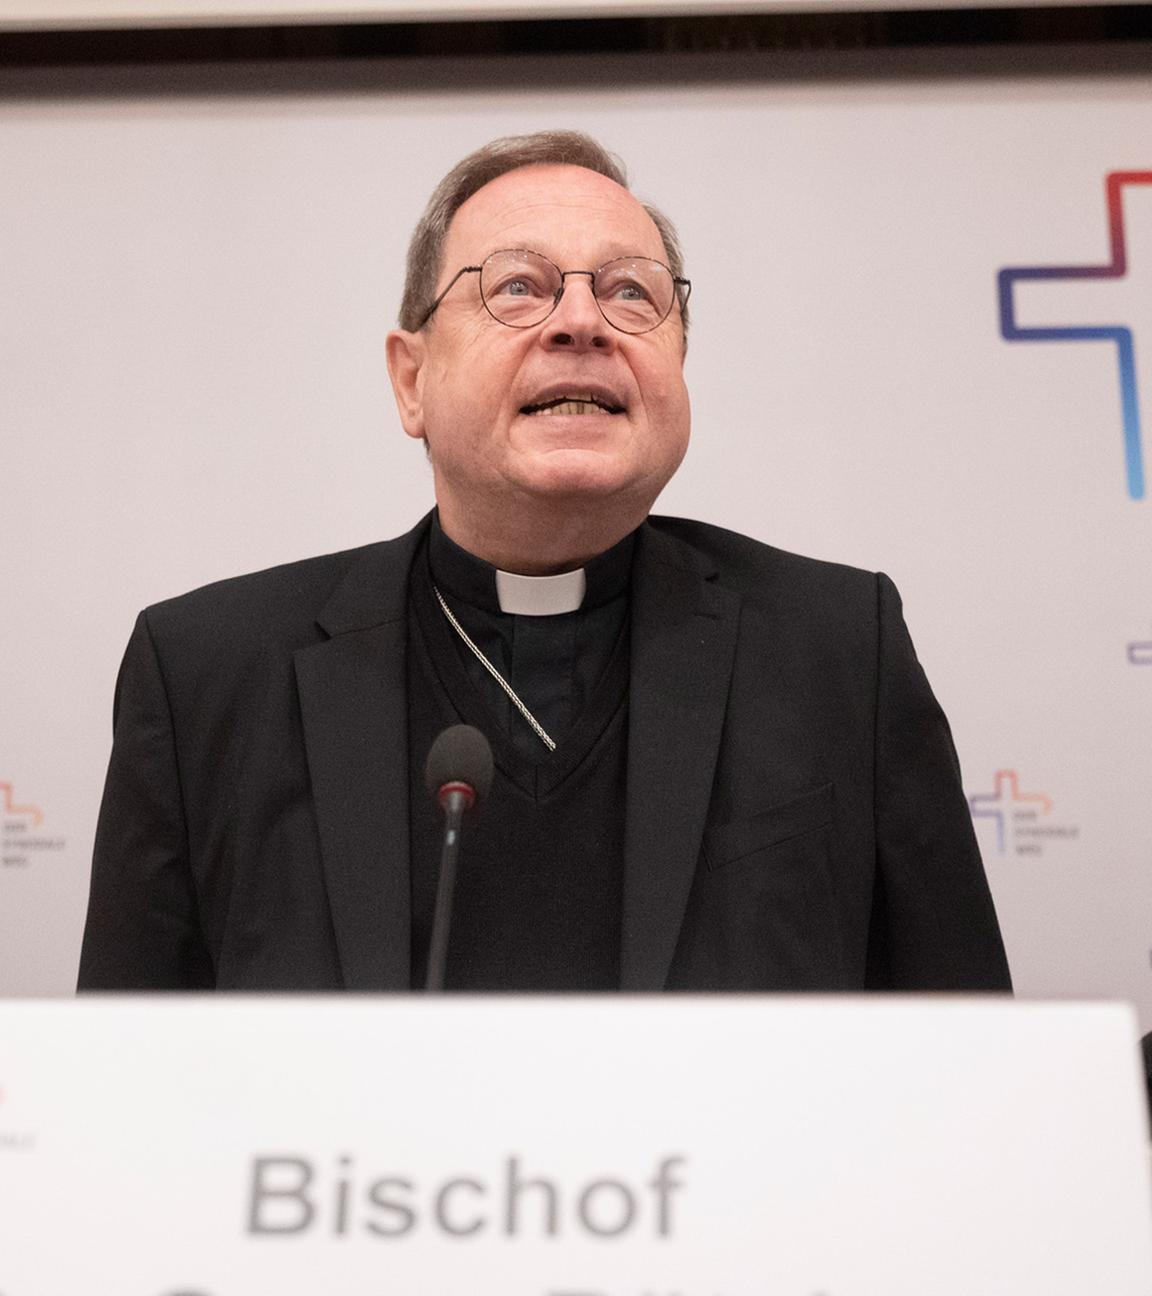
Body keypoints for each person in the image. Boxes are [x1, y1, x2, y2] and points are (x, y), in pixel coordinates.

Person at [78, 130, 1011, 993]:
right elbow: (116, 1101)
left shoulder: (839, 652)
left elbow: (977, 1072)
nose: (582, 323)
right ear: (412, 380)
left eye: (630, 292)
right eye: (518, 287)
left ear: (680, 365)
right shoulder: (207, 674)